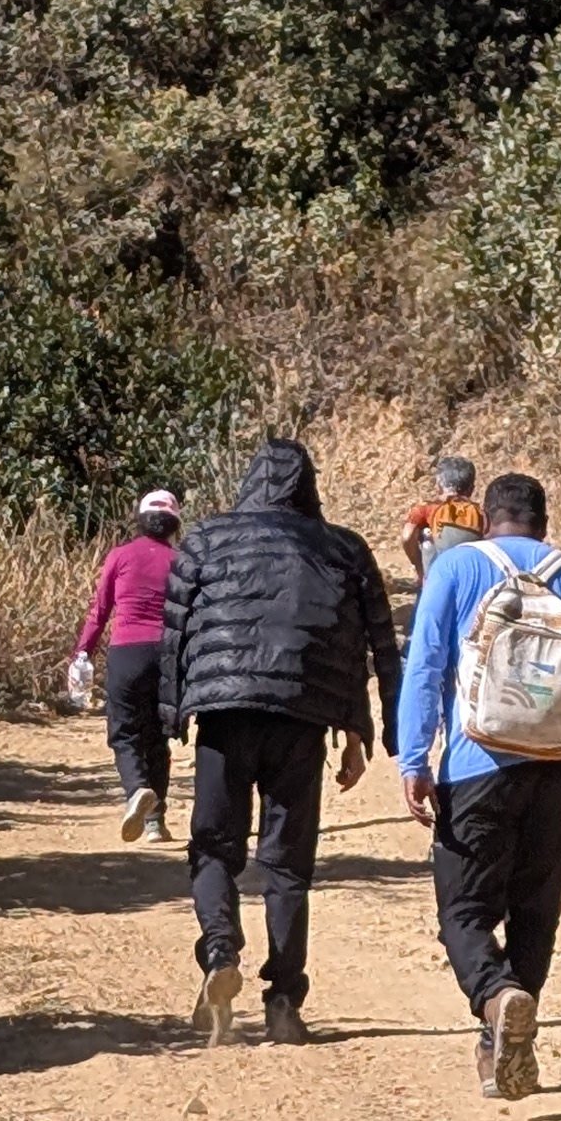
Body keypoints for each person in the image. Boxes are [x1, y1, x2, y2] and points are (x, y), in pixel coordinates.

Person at [396, 469, 561, 1099]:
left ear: (486, 516)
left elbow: (424, 666)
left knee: (464, 909)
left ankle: (496, 997)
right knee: (536, 909)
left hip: (478, 766)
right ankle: (500, 1038)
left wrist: (415, 760)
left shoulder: (453, 570)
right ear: (544, 523)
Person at [157, 439, 402, 1047]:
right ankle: (284, 999)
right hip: (302, 720)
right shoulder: (343, 548)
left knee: (214, 846)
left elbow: (174, 630)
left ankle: (219, 949)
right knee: (288, 865)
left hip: (223, 714)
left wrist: (171, 716)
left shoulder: (207, 538)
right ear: (308, 486)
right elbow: (373, 643)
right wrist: (367, 729)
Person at [71, 490, 182, 842]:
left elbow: (99, 611)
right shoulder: (180, 561)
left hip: (127, 653)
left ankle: (136, 789)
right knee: (159, 738)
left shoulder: (120, 556)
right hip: (167, 655)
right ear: (174, 525)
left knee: (124, 733)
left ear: (140, 520)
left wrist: (82, 652)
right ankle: (155, 824)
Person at [401, 452, 484, 588]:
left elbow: (407, 536)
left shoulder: (427, 509)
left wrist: (419, 567)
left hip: (436, 581)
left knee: (426, 533)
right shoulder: (481, 513)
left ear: (439, 484)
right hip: (471, 580)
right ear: (471, 488)